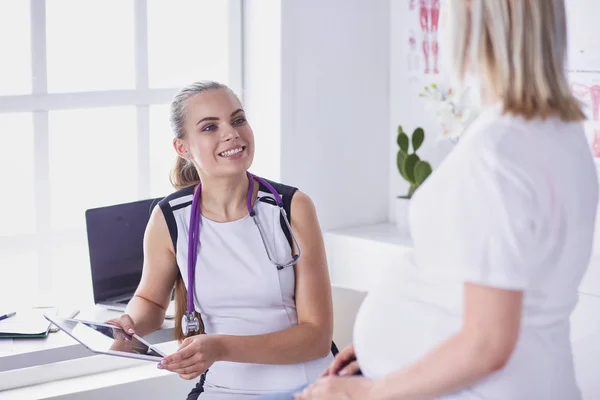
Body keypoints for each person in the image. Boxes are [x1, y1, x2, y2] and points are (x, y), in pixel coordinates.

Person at [259, 0, 599, 399]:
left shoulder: (499, 150)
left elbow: (487, 344)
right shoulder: (561, 130)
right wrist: (391, 360)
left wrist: (367, 393)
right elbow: (493, 285)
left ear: (472, 19)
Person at [106, 81, 336, 399]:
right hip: (223, 389)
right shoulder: (170, 217)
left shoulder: (291, 207)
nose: (231, 134)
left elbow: (317, 337)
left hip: (304, 387)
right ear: (182, 148)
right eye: (210, 127)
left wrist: (221, 346)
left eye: (238, 120)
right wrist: (128, 323)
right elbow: (151, 301)